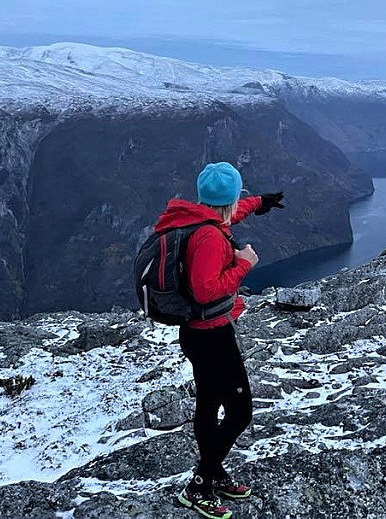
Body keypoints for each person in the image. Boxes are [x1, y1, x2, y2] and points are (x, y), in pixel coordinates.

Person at [152, 162, 284, 519]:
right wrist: (244, 264)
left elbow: (229, 212)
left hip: (197, 334)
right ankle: (198, 486)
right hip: (212, 336)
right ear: (229, 198)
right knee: (240, 412)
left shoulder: (196, 218)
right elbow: (205, 290)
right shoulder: (209, 236)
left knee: (209, 405)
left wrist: (259, 202)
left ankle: (214, 472)